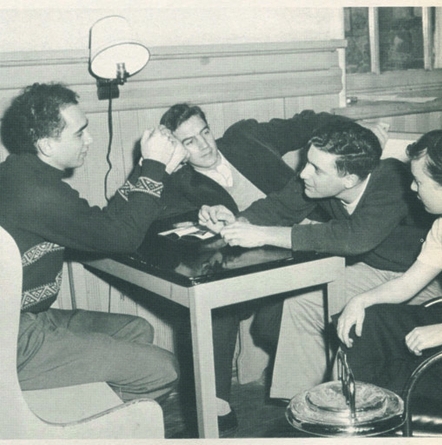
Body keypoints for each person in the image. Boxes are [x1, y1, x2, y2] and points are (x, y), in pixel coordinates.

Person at [123, 103, 389, 433]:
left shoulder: (244, 138)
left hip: (324, 240)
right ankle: (216, 406)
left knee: (278, 324)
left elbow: (307, 122)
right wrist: (152, 164)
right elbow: (135, 215)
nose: (204, 144)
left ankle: (324, 401)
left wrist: (360, 134)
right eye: (189, 141)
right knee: (221, 308)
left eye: (204, 132)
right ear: (176, 148)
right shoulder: (179, 183)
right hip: (259, 263)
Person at [199, 119, 442, 400]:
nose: (304, 173)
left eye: (316, 168)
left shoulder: (393, 180)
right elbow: (280, 206)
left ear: (349, 180)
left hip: (421, 279)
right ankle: (303, 405)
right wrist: (238, 221)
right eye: (307, 162)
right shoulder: (318, 182)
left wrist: (262, 235)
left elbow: (354, 238)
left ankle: (338, 407)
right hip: (374, 270)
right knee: (301, 303)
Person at [0, 83, 187, 411]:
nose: (89, 139)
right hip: (13, 339)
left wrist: (151, 168)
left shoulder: (21, 175)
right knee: (163, 369)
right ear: (46, 144)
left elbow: (103, 223)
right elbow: (121, 237)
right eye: (79, 133)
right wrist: (155, 168)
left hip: (28, 317)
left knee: (136, 329)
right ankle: (82, 428)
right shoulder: (37, 193)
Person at [335, 128, 442, 400]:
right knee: (368, 323)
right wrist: (360, 301)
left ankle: (374, 413)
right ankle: (354, 411)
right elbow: (408, 283)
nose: (412, 188)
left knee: (395, 376)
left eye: (418, 181)